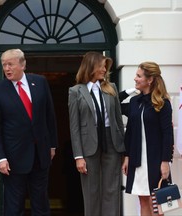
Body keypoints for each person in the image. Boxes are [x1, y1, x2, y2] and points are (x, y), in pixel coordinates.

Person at [0, 49, 58, 216]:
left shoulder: (40, 82)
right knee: (14, 206)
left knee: (41, 203)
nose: (6, 68)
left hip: (40, 154)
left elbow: (49, 115)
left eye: (10, 64)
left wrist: (52, 145)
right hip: (13, 158)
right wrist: (0, 158)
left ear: (23, 64)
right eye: (4, 65)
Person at [68, 51, 125, 216]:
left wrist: (123, 150)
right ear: (91, 67)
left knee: (112, 189)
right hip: (88, 145)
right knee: (91, 190)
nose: (104, 69)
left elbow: (118, 121)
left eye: (105, 66)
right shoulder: (75, 91)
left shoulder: (111, 88)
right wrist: (78, 156)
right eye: (101, 66)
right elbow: (74, 126)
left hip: (112, 142)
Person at [122, 62, 174, 216]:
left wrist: (165, 161)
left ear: (149, 79)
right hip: (137, 160)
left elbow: (167, 134)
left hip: (156, 160)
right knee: (143, 201)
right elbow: (129, 130)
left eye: (139, 76)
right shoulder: (134, 102)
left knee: (158, 204)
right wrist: (126, 157)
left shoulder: (163, 103)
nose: (135, 78)